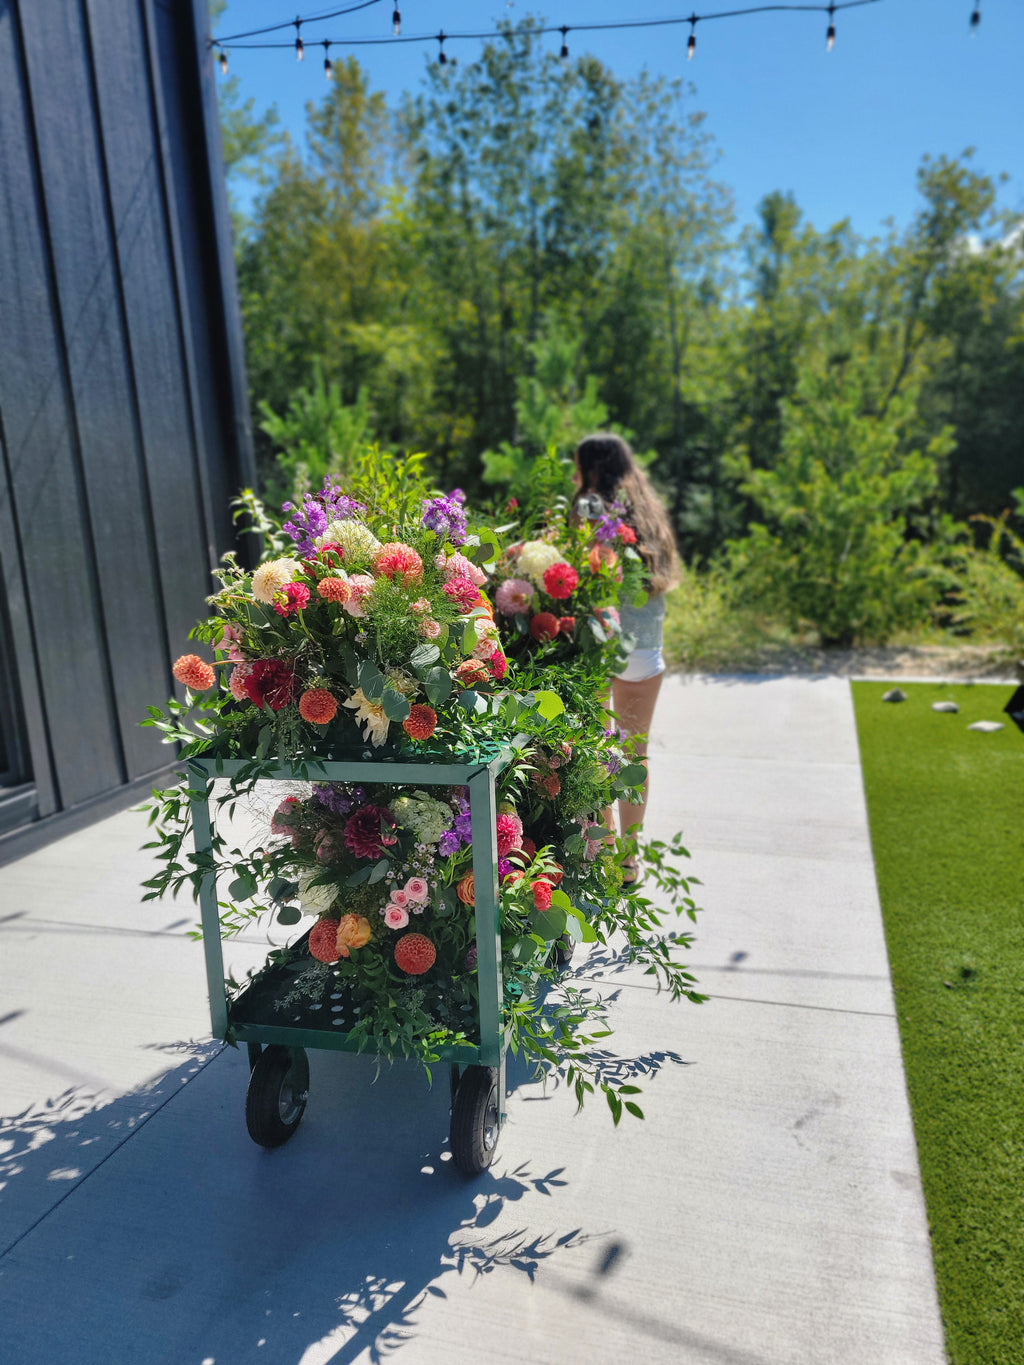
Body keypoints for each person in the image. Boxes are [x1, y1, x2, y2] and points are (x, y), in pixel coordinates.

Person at [571, 432, 680, 879]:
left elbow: (578, 569)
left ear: (591, 467)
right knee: (635, 755)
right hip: (645, 649)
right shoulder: (649, 511)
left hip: (602, 642)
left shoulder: (591, 507)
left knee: (597, 752)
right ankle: (630, 860)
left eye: (577, 465)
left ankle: (602, 851)